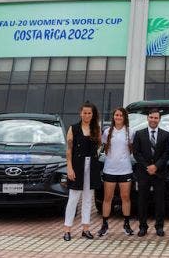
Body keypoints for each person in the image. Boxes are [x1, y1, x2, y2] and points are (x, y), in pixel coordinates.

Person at [63, 102, 102, 241]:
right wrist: (69, 167)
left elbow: (98, 147)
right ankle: (67, 230)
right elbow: (69, 150)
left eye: (89, 113)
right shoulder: (73, 128)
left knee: (88, 200)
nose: (87, 115)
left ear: (93, 114)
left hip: (91, 167)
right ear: (80, 113)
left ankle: (86, 229)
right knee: (73, 198)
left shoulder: (96, 129)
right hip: (77, 166)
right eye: (84, 113)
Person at [132, 108, 169, 237]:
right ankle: (143, 227)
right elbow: (136, 153)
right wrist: (148, 166)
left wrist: (156, 166)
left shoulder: (166, 135)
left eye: (156, 118)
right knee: (142, 200)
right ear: (147, 118)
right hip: (143, 173)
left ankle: (159, 227)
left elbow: (167, 154)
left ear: (159, 119)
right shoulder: (139, 134)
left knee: (160, 201)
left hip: (159, 173)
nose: (153, 120)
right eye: (151, 117)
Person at [98, 107, 135, 237]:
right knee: (108, 198)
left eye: (120, 115)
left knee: (126, 198)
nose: (118, 117)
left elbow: (131, 149)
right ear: (113, 117)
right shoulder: (107, 132)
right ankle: (104, 224)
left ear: (124, 117)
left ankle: (126, 224)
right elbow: (102, 146)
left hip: (125, 170)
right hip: (110, 170)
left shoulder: (130, 132)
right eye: (116, 115)